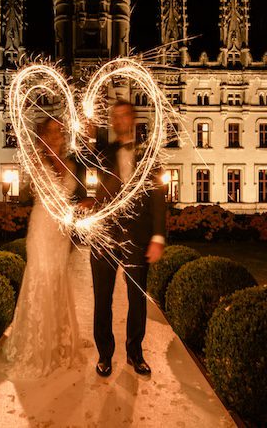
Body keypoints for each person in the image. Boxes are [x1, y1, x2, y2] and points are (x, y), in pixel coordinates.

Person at [3, 117, 86, 378]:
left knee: (58, 281)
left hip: (61, 234)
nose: (55, 136)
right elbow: (40, 195)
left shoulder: (70, 164)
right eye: (50, 132)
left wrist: (80, 207)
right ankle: (37, 345)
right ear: (42, 137)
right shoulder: (38, 163)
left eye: (59, 132)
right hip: (42, 231)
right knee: (40, 280)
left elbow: (69, 199)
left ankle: (58, 338)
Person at [91, 99, 166, 377]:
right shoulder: (101, 153)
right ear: (112, 122)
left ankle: (135, 353)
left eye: (126, 116)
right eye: (116, 117)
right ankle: (104, 355)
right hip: (104, 237)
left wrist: (158, 236)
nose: (121, 121)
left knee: (137, 298)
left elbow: (158, 195)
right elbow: (79, 158)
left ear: (134, 120)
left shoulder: (149, 156)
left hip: (137, 236)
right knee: (102, 299)